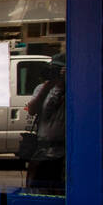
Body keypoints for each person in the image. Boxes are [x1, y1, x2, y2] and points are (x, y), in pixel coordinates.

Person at [25, 54, 65, 191]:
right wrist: (48, 87)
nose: (55, 73)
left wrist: (64, 84)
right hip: (42, 150)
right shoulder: (42, 88)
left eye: (58, 70)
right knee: (38, 190)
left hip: (64, 152)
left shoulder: (73, 88)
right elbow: (32, 110)